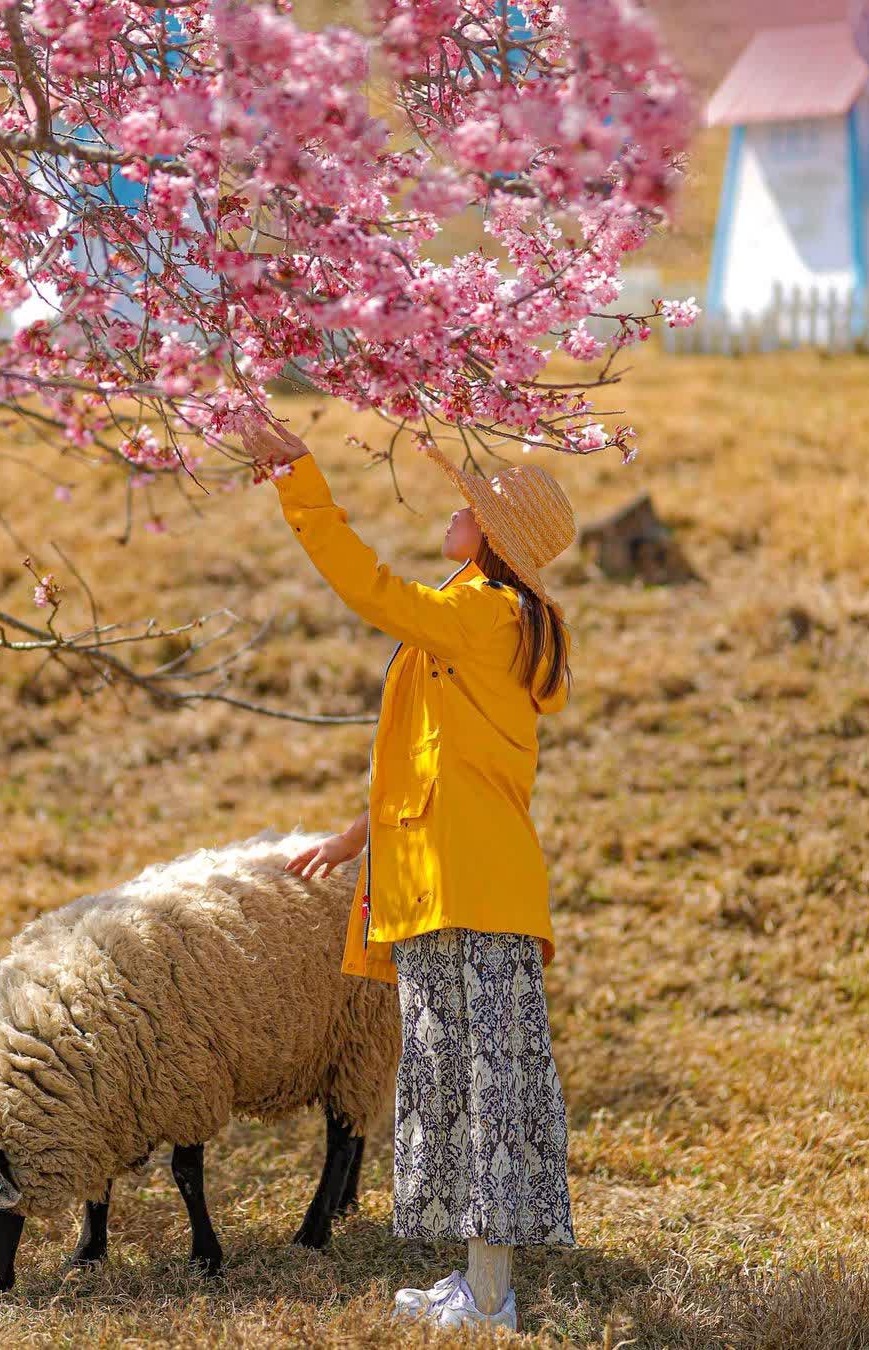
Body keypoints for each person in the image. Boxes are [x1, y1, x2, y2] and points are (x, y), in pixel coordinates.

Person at [239, 413, 577, 1333]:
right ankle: (480, 1287)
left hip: (468, 887)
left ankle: (493, 1301)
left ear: (495, 540)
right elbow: (437, 767)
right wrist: (356, 840)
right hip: (451, 880)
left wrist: (299, 485)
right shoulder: (489, 617)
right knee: (461, 1084)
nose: (453, 517)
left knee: (480, 1089)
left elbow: (371, 589)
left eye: (469, 511)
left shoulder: (482, 613)